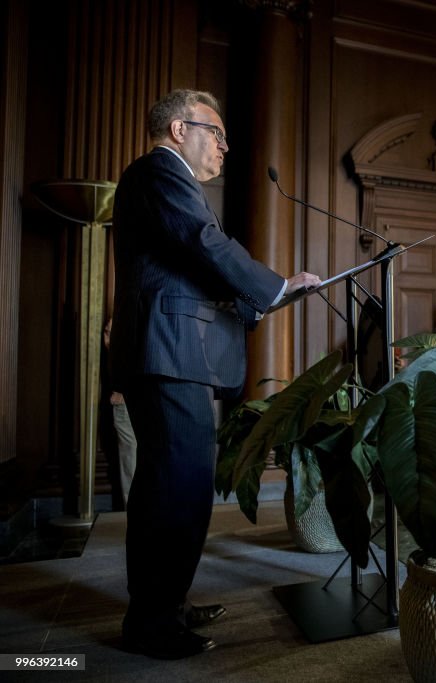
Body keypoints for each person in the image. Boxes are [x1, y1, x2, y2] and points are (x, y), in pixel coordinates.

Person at [111, 89, 321, 659]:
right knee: (177, 489)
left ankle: (164, 605)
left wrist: (265, 301)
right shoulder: (160, 171)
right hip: (167, 353)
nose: (225, 147)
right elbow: (205, 244)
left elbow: (192, 267)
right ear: (180, 129)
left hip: (175, 353)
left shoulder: (165, 181)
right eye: (217, 133)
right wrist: (276, 286)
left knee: (171, 487)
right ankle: (152, 625)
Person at [104, 318, 136, 507]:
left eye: (110, 334)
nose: (107, 340)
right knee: (130, 460)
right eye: (106, 333)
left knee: (134, 461)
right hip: (126, 405)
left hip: (136, 403)